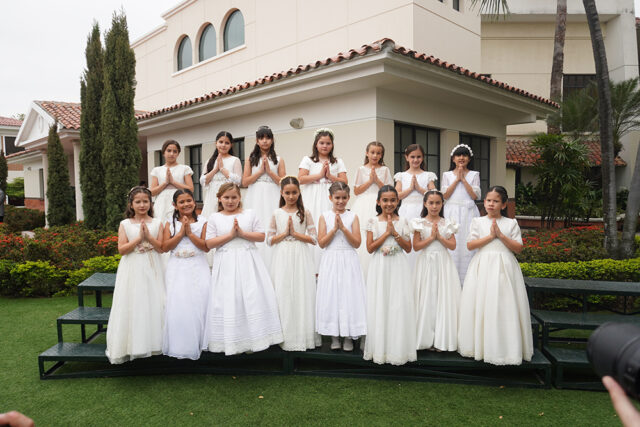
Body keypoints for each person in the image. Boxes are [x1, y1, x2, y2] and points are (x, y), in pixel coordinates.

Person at [203, 183, 283, 355]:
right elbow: (209, 243)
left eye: (234, 197)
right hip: (226, 262)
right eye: (226, 197)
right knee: (230, 298)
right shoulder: (214, 218)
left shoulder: (249, 214)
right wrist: (230, 235)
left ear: (240, 198)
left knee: (251, 296)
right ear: (219, 199)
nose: (230, 201)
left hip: (248, 260)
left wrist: (242, 234)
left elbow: (261, 236)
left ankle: (254, 339)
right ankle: (233, 341)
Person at [458, 186, 533, 365]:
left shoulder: (511, 223)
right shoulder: (477, 222)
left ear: (504, 204)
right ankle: (481, 346)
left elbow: (518, 248)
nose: (491, 204)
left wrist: (500, 235)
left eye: (496, 201)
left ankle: (506, 349)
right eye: (488, 200)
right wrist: (491, 237)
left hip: (504, 268)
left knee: (504, 305)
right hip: (482, 266)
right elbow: (470, 245)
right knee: (482, 303)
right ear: (484, 202)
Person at [106, 186, 165, 364]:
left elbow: (162, 248)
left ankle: (155, 343)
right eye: (138, 202)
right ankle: (132, 345)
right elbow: (122, 250)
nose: (142, 205)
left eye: (145, 201)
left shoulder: (158, 223)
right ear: (131, 204)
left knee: (154, 300)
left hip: (153, 266)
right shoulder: (125, 224)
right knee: (134, 301)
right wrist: (139, 238)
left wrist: (149, 237)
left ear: (150, 203)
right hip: (132, 267)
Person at [363, 185, 416, 365]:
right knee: (381, 302)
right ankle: (380, 349)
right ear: (378, 202)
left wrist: (395, 234)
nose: (389, 204)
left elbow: (408, 248)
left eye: (393, 200)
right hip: (380, 266)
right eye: (385, 200)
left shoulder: (403, 221)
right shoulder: (372, 221)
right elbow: (370, 248)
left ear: (398, 201)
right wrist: (386, 233)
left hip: (398, 265)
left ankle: (398, 349)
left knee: (397, 304)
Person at [266, 176, 321, 351]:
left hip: (301, 255)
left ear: (299, 192)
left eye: (294, 193)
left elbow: (314, 239)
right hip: (282, 255)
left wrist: (295, 234)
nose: (291, 196)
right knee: (283, 291)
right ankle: (284, 336)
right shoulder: (277, 213)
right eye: (287, 193)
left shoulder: (306, 213)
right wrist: (285, 234)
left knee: (301, 290)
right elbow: (269, 240)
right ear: (282, 193)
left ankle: (303, 336)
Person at [316, 182, 367, 351]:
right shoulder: (324, 216)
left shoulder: (353, 217)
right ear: (330, 197)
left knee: (348, 295)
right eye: (337, 198)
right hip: (331, 258)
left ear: (348, 198)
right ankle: (334, 336)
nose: (340, 201)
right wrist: (334, 229)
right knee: (332, 295)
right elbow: (322, 243)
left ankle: (348, 336)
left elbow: (357, 243)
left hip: (349, 259)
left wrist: (343, 228)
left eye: (344, 198)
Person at [161, 189, 210, 360]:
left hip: (198, 264)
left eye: (189, 200)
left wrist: (190, 233)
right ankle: (180, 344)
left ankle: (202, 341)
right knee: (179, 302)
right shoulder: (169, 223)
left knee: (200, 300)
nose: (186, 204)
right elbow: (165, 247)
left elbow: (205, 246)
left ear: (194, 202)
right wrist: (181, 233)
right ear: (175, 205)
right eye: (181, 202)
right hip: (177, 266)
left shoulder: (203, 221)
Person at [411, 190, 461, 352]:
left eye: (437, 203)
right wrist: (431, 238)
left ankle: (442, 339)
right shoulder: (419, 223)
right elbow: (416, 246)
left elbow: (452, 246)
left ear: (442, 204)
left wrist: (439, 237)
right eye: (431, 203)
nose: (434, 206)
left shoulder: (448, 223)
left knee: (442, 297)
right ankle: (424, 338)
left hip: (443, 263)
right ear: (425, 204)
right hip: (426, 262)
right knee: (427, 297)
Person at [243, 126, 286, 266]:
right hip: (255, 195)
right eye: (261, 138)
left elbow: (283, 182)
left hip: (273, 194)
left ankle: (273, 261)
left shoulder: (279, 159)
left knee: (271, 222)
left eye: (268, 138)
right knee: (256, 223)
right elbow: (245, 182)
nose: (265, 141)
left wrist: (270, 172)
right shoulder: (250, 159)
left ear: (272, 140)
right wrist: (260, 172)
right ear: (257, 141)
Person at [441, 143, 481, 283]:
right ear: (453, 159)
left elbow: (475, 196)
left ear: (469, 159)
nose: (461, 158)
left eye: (464, 155)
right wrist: (457, 179)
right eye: (458, 155)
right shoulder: (447, 175)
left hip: (468, 213)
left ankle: (467, 280)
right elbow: (445, 195)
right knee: (453, 242)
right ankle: (451, 280)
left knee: (466, 243)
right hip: (451, 211)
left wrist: (463, 179)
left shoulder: (474, 174)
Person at [351, 141, 393, 273]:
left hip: (380, 204)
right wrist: (370, 181)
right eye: (372, 152)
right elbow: (356, 191)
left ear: (381, 155)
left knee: (380, 231)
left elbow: (389, 190)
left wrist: (377, 180)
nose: (375, 155)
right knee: (363, 232)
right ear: (367, 153)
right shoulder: (361, 169)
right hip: (363, 203)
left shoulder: (385, 170)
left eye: (378, 153)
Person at [394, 144, 437, 268]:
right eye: (412, 157)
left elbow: (434, 194)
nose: (415, 160)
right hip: (406, 211)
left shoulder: (428, 175)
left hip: (422, 211)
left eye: (419, 157)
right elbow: (397, 195)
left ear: (422, 158)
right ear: (406, 157)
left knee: (421, 237)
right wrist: (410, 189)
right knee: (407, 237)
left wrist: (419, 188)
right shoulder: (401, 175)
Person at [200, 131, 242, 219]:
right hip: (212, 196)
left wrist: (222, 169)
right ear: (216, 143)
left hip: (228, 196)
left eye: (227, 143)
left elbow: (238, 181)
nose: (223, 145)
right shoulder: (210, 161)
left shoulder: (235, 160)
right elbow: (203, 180)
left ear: (231, 145)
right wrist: (215, 169)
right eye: (221, 142)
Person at [149, 140, 194, 222]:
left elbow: (190, 189)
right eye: (169, 151)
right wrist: (165, 183)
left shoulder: (185, 168)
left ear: (178, 153)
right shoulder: (157, 170)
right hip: (161, 203)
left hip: (179, 200)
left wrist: (173, 182)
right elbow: (152, 192)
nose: (171, 154)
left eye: (175, 151)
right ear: (163, 152)